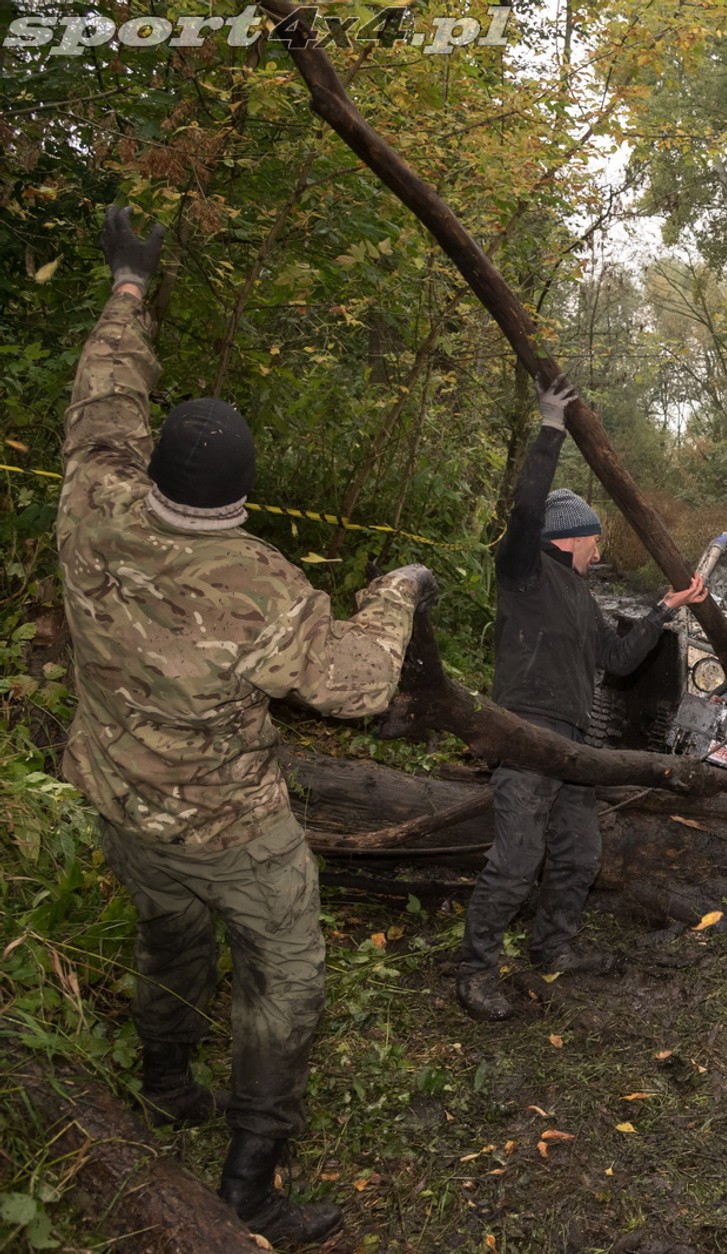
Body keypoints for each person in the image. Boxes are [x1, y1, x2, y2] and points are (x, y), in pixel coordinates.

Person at [59, 208, 436, 1245]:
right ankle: (250, 1180)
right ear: (239, 496)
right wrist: (397, 589)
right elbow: (357, 685)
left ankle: (166, 1082)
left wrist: (128, 286)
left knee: (167, 935)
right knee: (289, 979)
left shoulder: (92, 500)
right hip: (235, 835)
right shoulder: (261, 588)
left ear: (155, 469)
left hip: (121, 806)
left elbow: (106, 395)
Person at [456, 379, 709, 1022]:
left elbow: (620, 662)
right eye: (594, 538)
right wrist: (551, 428)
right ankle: (475, 971)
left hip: (573, 744)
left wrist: (663, 611)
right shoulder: (525, 573)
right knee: (517, 859)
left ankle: (553, 950)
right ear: (569, 537)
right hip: (524, 734)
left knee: (580, 852)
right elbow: (525, 510)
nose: (600, 548)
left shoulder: (585, 599)